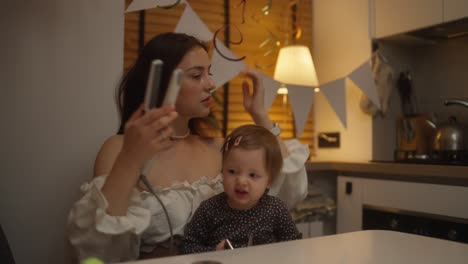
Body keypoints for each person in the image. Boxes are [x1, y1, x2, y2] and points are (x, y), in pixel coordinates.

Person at [66, 32, 309, 263]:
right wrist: (131, 159)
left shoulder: (220, 148)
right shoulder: (119, 149)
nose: (211, 84)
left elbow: (289, 191)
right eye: (197, 75)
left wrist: (260, 115)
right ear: (160, 83)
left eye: (209, 73)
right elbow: (98, 252)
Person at [180, 124, 302, 254]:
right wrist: (214, 251)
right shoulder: (209, 209)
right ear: (222, 171)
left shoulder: (276, 209)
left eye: (252, 175)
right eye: (232, 171)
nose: (241, 181)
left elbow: (294, 245)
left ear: (269, 181)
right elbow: (187, 247)